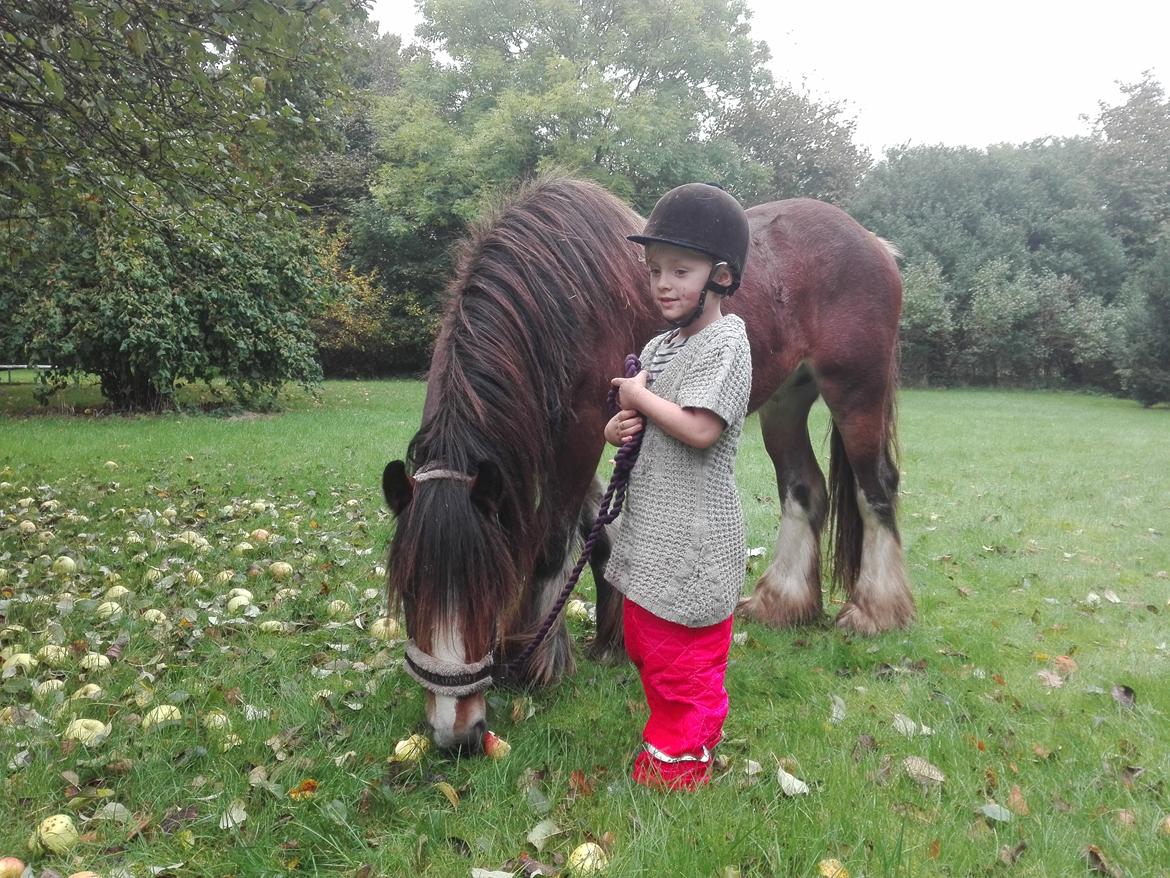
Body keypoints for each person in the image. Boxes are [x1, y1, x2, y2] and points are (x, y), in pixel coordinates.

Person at [604, 182, 753, 791]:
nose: (663, 284)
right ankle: (669, 730)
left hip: (694, 536)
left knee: (683, 660)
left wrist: (639, 396)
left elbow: (699, 429)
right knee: (645, 641)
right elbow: (653, 426)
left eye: (680, 271)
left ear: (720, 276)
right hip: (652, 536)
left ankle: (679, 767)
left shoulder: (726, 344)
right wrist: (620, 427)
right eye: (655, 271)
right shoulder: (659, 346)